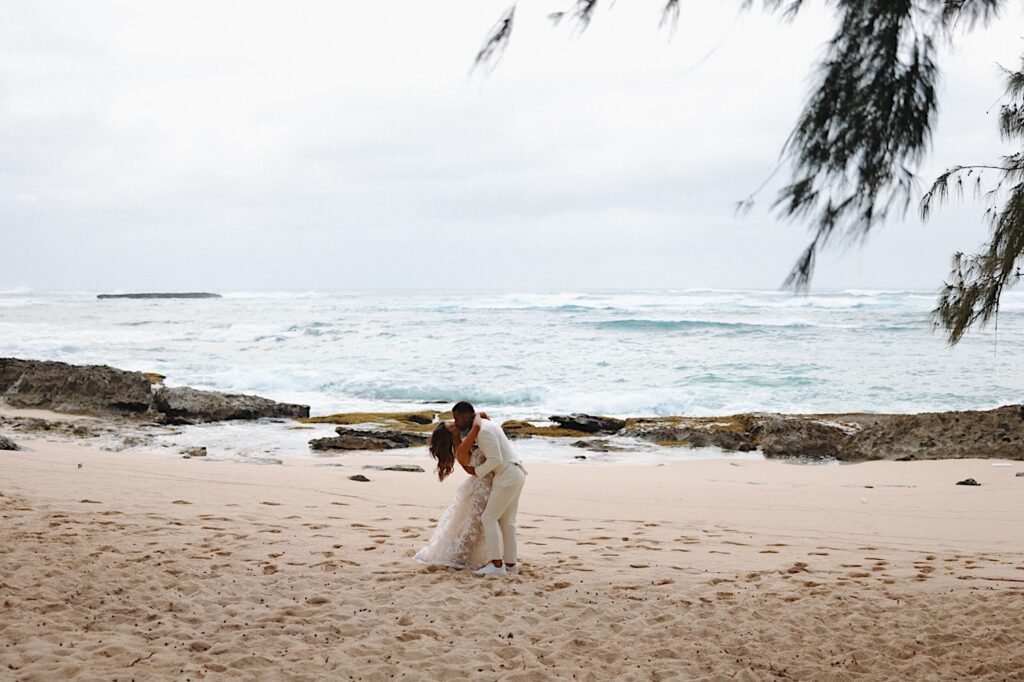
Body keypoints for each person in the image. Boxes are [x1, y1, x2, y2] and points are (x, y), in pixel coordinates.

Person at [450, 401, 527, 577]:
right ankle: (510, 565)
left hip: (507, 475)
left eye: (457, 418)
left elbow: (495, 459)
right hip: (516, 472)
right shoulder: (486, 425)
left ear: (466, 416)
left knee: (488, 518)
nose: (456, 422)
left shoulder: (483, 431)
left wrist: (476, 472)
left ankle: (497, 565)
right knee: (507, 522)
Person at [412, 412, 494, 570]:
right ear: (449, 434)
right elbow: (472, 470)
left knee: (475, 524)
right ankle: (459, 559)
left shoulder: (465, 440)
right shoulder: (459, 446)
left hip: (484, 485)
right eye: (450, 425)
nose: (454, 424)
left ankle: (468, 557)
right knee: (474, 526)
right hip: (481, 486)